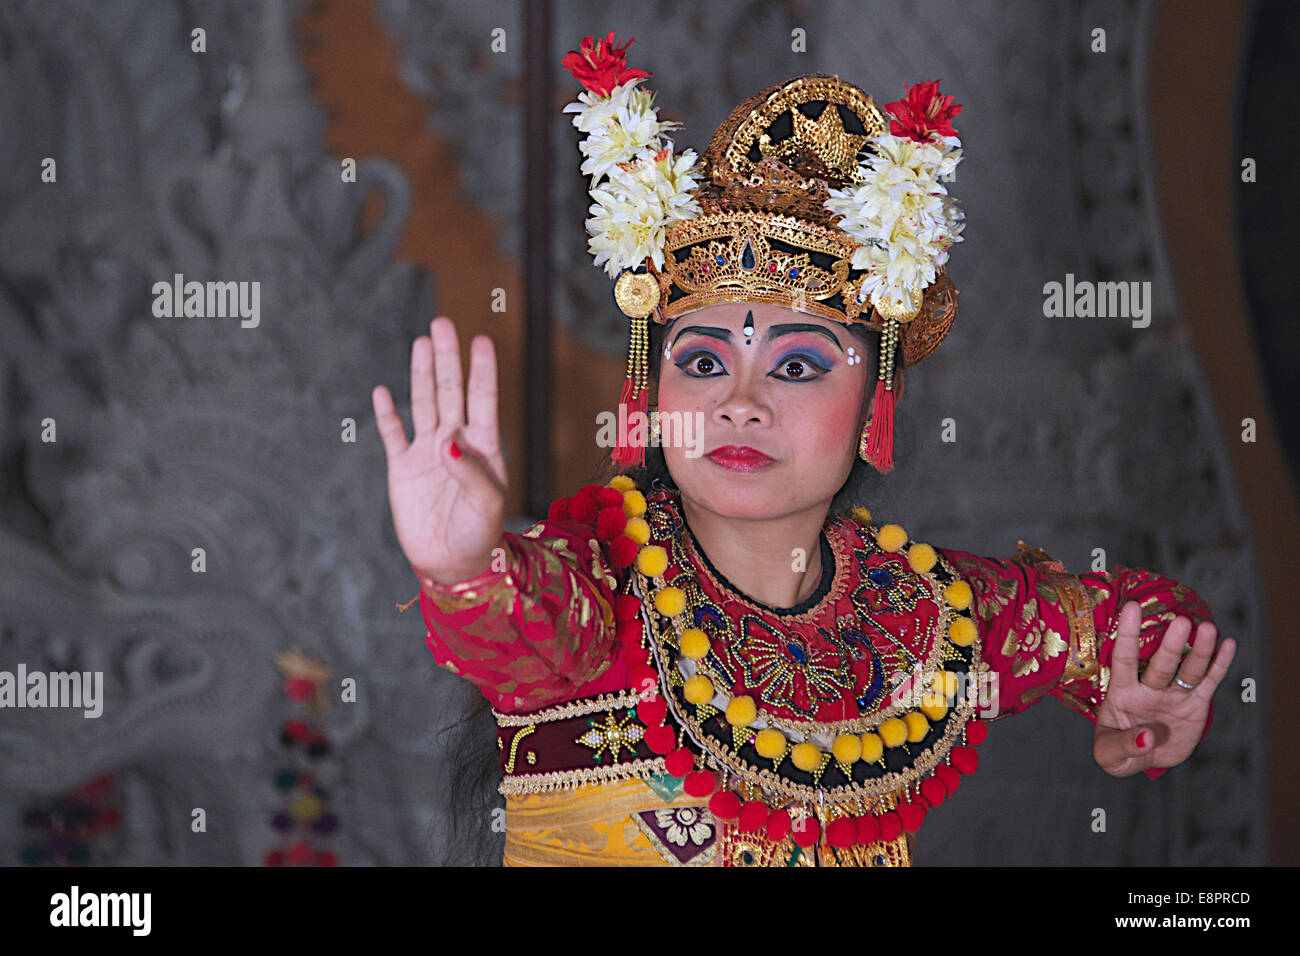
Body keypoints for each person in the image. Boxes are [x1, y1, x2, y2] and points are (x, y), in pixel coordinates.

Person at [371, 33, 1235, 866]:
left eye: (797, 366)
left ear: (873, 406)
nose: (740, 404)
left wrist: (1144, 689)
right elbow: (513, 622)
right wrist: (464, 568)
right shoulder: (599, 586)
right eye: (704, 361)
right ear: (652, 390)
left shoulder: (921, 617)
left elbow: (1133, 617)